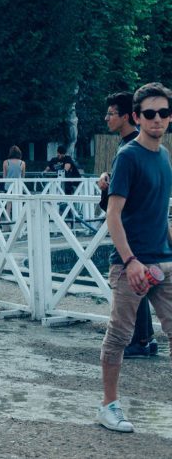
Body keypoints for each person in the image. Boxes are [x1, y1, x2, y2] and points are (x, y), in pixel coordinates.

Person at [96, 82, 172, 433]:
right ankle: (108, 406)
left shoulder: (166, 155)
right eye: (150, 113)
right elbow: (114, 214)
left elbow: (160, 212)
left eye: (164, 113)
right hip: (131, 263)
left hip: (164, 260)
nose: (157, 119)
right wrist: (129, 261)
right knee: (120, 336)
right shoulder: (128, 156)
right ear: (138, 117)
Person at [99, 91, 156, 360]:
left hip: (131, 227)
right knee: (139, 282)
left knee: (129, 280)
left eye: (111, 113)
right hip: (145, 225)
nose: (107, 118)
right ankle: (145, 338)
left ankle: (140, 339)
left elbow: (118, 201)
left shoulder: (128, 149)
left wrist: (105, 189)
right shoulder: (143, 146)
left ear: (125, 116)